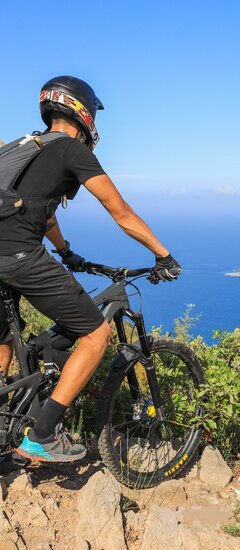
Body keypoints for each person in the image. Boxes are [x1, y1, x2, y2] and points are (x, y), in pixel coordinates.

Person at [0, 75, 181, 462]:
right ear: (82, 112)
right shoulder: (71, 149)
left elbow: (37, 211)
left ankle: (3, 427)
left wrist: (66, 252)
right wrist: (163, 255)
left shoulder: (23, 146)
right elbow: (122, 212)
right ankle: (42, 436)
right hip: (17, 256)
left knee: (2, 346)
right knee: (96, 335)